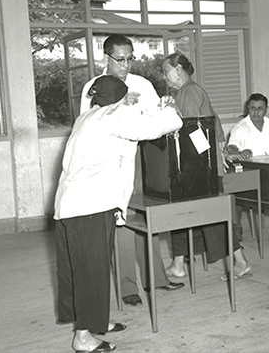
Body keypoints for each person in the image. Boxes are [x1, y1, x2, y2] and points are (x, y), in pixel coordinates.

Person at [54, 75, 183, 353]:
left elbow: (130, 125)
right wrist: (170, 109)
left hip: (70, 206)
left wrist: (144, 108)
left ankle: (94, 321)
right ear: (121, 97)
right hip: (88, 207)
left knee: (79, 269)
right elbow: (155, 127)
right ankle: (83, 337)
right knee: (91, 271)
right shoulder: (113, 116)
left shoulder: (87, 117)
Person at [79, 34, 184, 307]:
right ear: (107, 58)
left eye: (129, 59)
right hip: (107, 164)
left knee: (148, 216)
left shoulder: (142, 84)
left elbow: (154, 119)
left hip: (138, 159)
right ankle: (128, 287)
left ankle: (157, 278)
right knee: (121, 221)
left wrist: (164, 109)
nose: (125, 66)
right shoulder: (95, 87)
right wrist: (120, 106)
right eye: (120, 60)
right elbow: (88, 123)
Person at [161, 52, 252, 281]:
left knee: (210, 215)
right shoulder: (186, 92)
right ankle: (179, 263)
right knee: (184, 212)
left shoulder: (189, 91)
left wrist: (201, 164)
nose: (164, 77)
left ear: (179, 70)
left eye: (166, 71)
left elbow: (193, 130)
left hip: (199, 166)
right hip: (199, 164)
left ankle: (239, 262)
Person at [226, 93, 269, 241]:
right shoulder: (240, 128)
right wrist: (239, 152)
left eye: (260, 108)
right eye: (252, 108)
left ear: (266, 110)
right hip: (251, 173)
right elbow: (231, 148)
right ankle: (235, 227)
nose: (256, 112)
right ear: (248, 109)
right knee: (235, 190)